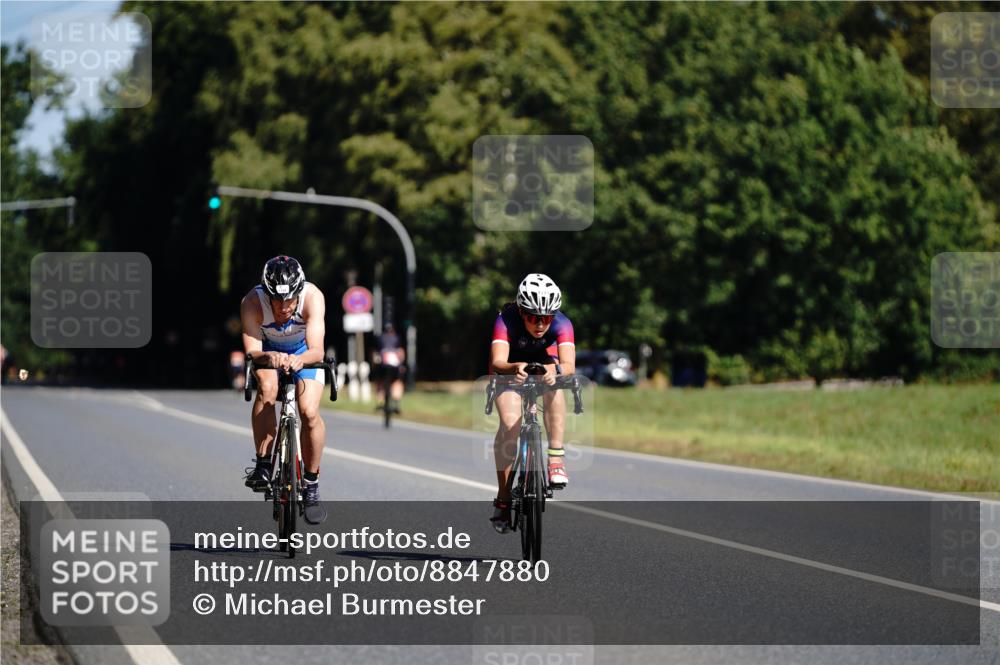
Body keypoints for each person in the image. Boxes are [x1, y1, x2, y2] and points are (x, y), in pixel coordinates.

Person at [241, 255, 329, 525]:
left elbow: (317, 350)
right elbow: (252, 352)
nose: (282, 307)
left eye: (289, 300)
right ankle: (263, 464)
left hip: (304, 353)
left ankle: (311, 486)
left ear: (299, 292)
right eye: (276, 300)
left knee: (309, 411)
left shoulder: (313, 297)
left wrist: (299, 360)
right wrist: (270, 357)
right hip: (268, 353)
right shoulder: (252, 302)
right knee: (267, 389)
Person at [488, 273, 576, 533]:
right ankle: (504, 498)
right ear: (521, 311)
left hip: (544, 364)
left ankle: (555, 459)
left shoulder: (563, 323)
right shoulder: (505, 320)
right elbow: (497, 361)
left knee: (555, 386)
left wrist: (555, 370)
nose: (540, 324)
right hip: (509, 369)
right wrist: (514, 367)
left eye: (546, 318)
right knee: (510, 425)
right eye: (533, 317)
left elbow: (569, 365)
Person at [374, 323, 405, 413]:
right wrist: (402, 366)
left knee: (380, 382)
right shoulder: (397, 338)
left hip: (383, 366)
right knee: (397, 382)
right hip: (395, 367)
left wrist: (375, 367)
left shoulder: (380, 338)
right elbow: (401, 353)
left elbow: (375, 354)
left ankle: (380, 403)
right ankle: (397, 405)